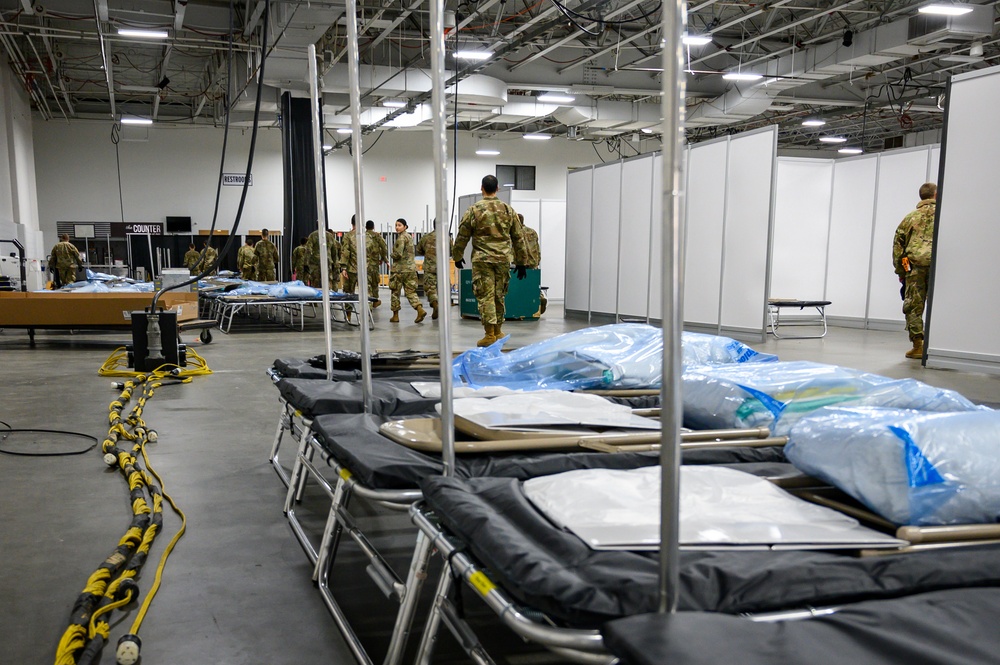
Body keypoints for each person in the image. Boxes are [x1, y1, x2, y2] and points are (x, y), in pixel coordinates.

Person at [452, 174, 528, 347]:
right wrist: (522, 262)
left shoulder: (474, 210)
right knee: (499, 295)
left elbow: (462, 236)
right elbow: (518, 238)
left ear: (482, 188)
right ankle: (498, 331)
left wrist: (457, 256)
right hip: (502, 259)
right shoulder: (508, 210)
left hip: (482, 260)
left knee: (486, 296)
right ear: (498, 189)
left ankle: (489, 334)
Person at [893, 182, 937, 360]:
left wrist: (901, 271)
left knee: (913, 306)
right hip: (940, 268)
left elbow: (898, 246)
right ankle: (942, 345)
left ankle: (918, 345)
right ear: (935, 196)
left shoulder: (910, 218)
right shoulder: (945, 216)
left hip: (915, 268)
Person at [389, 218, 427, 323]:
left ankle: (395, 316)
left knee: (395, 292)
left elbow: (398, 254)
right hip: (411, 269)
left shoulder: (401, 238)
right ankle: (419, 309)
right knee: (410, 291)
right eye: (396, 225)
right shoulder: (409, 237)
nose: (397, 227)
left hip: (400, 270)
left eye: (399, 225)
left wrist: (391, 255)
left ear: (405, 226)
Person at [415, 219, 452, 320]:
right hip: (443, 269)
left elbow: (418, 250)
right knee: (443, 291)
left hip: (430, 268)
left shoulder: (426, 237)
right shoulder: (447, 238)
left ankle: (435, 306)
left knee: (431, 290)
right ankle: (442, 310)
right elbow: (451, 251)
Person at [516, 213, 546, 316]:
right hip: (533, 263)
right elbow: (537, 249)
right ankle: (538, 304)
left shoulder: (515, 233)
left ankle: (521, 308)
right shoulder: (532, 232)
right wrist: (537, 261)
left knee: (520, 287)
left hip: (520, 264)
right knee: (534, 287)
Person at [365, 220, 389, 307]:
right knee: (374, 283)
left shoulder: (363, 236)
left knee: (367, 283)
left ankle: (368, 301)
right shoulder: (377, 236)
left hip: (365, 264)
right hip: (374, 264)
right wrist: (383, 258)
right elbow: (384, 247)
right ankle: (374, 301)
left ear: (365, 227)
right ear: (373, 226)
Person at [340, 216, 359, 321]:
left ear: (352, 223)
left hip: (351, 269)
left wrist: (344, 268)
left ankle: (348, 315)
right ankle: (367, 315)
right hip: (366, 269)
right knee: (367, 293)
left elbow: (345, 253)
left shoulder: (348, 236)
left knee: (348, 292)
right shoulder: (368, 236)